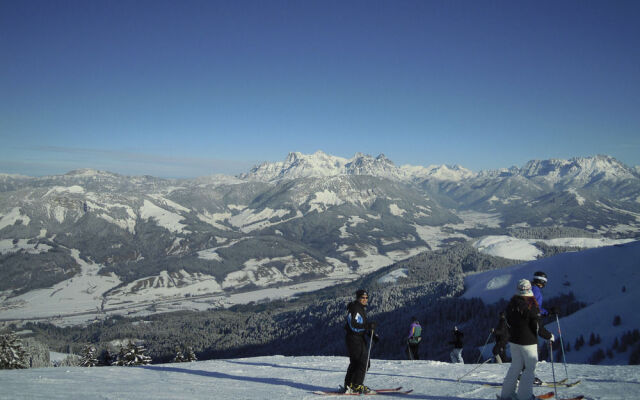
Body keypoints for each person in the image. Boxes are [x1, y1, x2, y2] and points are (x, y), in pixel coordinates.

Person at [499, 279, 554, 400]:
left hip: (514, 341)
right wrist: (549, 336)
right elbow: (537, 326)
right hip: (528, 342)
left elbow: (507, 322)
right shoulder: (531, 304)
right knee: (529, 369)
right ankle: (525, 397)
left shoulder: (512, 302)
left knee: (515, 367)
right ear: (529, 289)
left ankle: (506, 396)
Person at [343, 289, 378, 394]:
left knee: (355, 362)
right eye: (362, 297)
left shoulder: (360, 308)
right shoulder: (355, 308)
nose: (365, 299)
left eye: (366, 298)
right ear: (358, 298)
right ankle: (357, 385)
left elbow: (360, 325)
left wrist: (371, 333)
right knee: (364, 362)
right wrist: (368, 326)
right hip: (354, 339)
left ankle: (349, 385)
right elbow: (352, 324)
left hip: (356, 338)